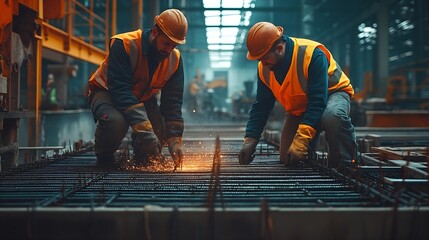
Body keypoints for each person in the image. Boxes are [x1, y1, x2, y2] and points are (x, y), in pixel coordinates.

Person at [238, 22, 358, 168]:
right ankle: (310, 161)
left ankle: (345, 165)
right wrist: (250, 139)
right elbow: (261, 106)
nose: (262, 63)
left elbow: (317, 102)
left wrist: (301, 141)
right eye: (259, 59)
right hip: (301, 106)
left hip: (333, 94)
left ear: (280, 49)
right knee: (288, 158)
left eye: (264, 58)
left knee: (332, 116)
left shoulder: (312, 54)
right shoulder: (265, 67)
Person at [88, 9, 188, 169]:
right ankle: (104, 159)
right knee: (115, 122)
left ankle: (144, 160)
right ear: (155, 32)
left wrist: (175, 141)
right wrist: (144, 130)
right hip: (108, 93)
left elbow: (173, 102)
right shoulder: (125, 44)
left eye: (174, 45)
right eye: (166, 43)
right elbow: (120, 90)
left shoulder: (174, 60)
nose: (169, 50)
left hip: (142, 98)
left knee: (158, 129)